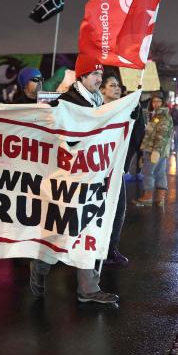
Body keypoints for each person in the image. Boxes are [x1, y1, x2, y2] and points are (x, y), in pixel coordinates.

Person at [30, 54, 118, 304]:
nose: (99, 79)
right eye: (95, 75)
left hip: (93, 177)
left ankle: (88, 288)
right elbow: (61, 137)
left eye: (101, 75)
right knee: (61, 228)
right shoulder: (66, 101)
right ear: (81, 76)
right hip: (69, 177)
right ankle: (40, 265)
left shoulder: (98, 100)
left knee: (88, 228)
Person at [98, 75, 129, 266]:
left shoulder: (126, 109)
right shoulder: (93, 110)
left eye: (119, 86)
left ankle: (110, 249)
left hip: (117, 169)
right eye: (112, 85)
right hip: (96, 169)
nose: (117, 89)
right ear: (102, 90)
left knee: (119, 208)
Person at [134, 93, 174, 207]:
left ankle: (147, 197)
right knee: (160, 173)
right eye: (154, 101)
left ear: (163, 103)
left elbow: (163, 135)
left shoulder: (163, 116)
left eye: (158, 101)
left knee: (148, 173)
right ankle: (160, 198)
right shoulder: (155, 116)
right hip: (157, 150)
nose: (155, 104)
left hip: (154, 151)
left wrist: (156, 150)